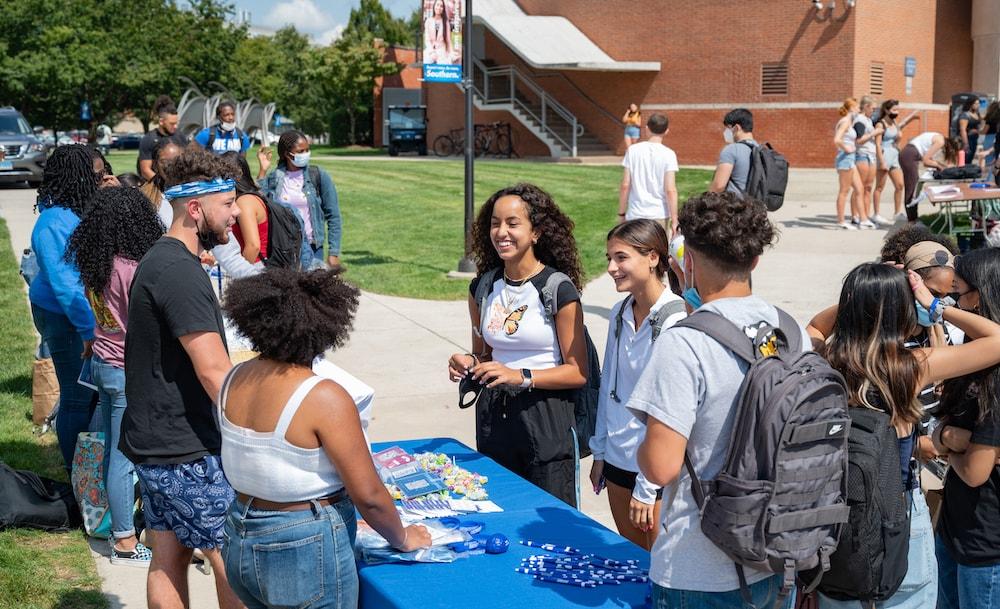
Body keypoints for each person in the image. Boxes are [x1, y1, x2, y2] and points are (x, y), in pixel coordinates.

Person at [629, 191, 805, 606]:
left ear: (686, 261)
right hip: (780, 552)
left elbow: (660, 466)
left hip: (700, 565)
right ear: (755, 261)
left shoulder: (684, 343)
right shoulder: (790, 331)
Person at [219, 268, 431, 609]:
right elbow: (370, 495)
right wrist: (404, 537)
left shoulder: (234, 379)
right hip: (302, 544)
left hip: (239, 533)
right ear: (326, 325)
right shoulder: (324, 396)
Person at [806, 261, 1000, 609]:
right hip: (900, 513)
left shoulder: (824, 361)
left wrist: (859, 296)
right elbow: (997, 340)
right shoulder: (910, 367)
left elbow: (816, 326)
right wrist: (934, 304)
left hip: (836, 513)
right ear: (901, 312)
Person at [120, 146, 243, 609]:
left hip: (156, 440)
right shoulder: (178, 272)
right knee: (231, 557)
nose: (235, 214)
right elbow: (214, 371)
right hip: (186, 446)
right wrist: (262, 422)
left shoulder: (165, 259)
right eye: (227, 204)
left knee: (168, 556)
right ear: (195, 208)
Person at [447, 183, 588, 506]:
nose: (501, 232)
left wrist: (521, 376)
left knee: (551, 521)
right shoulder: (483, 287)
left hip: (546, 420)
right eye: (495, 223)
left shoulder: (557, 289)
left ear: (536, 232)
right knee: (500, 508)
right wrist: (466, 361)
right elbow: (484, 353)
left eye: (513, 223)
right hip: (495, 418)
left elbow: (578, 372)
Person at [66, 187, 163, 566]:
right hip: (127, 370)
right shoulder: (133, 269)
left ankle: (127, 528)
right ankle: (124, 540)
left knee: (113, 453)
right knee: (125, 458)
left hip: (104, 365)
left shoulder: (96, 263)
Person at [589, 220, 685, 549]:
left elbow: (668, 411)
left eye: (621, 258)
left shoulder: (676, 321)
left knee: (656, 567)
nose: (611, 268)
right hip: (617, 459)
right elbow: (608, 389)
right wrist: (600, 451)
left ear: (653, 258)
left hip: (653, 472)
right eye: (609, 258)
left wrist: (647, 486)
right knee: (630, 562)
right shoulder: (619, 312)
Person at [931, 248, 1000, 609]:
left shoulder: (995, 376)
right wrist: (949, 438)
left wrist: (949, 443)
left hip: (986, 547)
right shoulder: (975, 355)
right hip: (954, 531)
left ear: (985, 293)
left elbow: (976, 472)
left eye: (961, 293)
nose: (956, 302)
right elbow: (942, 428)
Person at [28, 144, 99, 470]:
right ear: (76, 176)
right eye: (92, 172)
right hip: (62, 314)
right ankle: (78, 475)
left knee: (87, 394)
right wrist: (88, 330)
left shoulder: (70, 210)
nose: (97, 177)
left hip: (74, 311)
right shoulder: (55, 222)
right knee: (76, 396)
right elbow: (66, 284)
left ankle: (88, 467)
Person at [259, 130, 343, 271]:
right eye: (300, 151)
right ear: (287, 154)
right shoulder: (275, 178)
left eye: (307, 150)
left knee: (311, 291)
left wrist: (334, 252)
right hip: (283, 249)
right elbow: (260, 204)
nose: (305, 154)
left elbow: (333, 215)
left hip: (312, 248)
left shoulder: (318, 175)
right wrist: (263, 171)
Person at [618, 113, 679, 236]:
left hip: (635, 214)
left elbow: (625, 185)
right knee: (658, 254)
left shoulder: (632, 150)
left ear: (647, 129)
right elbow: (670, 190)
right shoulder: (669, 154)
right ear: (666, 131)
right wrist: (675, 219)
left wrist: (622, 213)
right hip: (659, 214)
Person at [873, 100, 919, 224]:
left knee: (899, 185)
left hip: (895, 155)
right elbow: (877, 144)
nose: (896, 112)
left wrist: (912, 118)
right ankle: (876, 214)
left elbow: (901, 126)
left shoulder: (894, 122)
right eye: (894, 110)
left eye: (897, 110)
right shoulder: (880, 124)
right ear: (887, 110)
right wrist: (881, 161)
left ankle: (897, 213)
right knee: (879, 187)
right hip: (884, 155)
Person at [900, 132, 961, 223]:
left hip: (909, 154)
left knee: (914, 187)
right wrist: (940, 167)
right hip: (909, 155)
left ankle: (913, 219)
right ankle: (912, 220)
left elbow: (929, 159)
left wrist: (939, 165)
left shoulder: (939, 138)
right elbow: (926, 161)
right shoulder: (940, 142)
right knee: (912, 188)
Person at [833, 98, 875, 230]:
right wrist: (847, 148)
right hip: (845, 158)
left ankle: (863, 219)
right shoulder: (845, 122)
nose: (859, 110)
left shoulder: (849, 122)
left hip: (850, 159)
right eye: (857, 107)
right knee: (844, 191)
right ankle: (841, 221)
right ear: (851, 108)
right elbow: (837, 139)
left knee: (859, 189)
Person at [224, 152, 269, 264]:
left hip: (256, 267)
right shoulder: (251, 195)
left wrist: (240, 274)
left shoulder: (244, 202)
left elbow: (253, 247)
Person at [138, 95, 189, 181]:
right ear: (161, 121)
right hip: (158, 187)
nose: (175, 126)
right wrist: (164, 184)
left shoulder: (181, 136)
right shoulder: (149, 139)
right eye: (172, 123)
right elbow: (145, 170)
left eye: (176, 123)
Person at [709, 108, 757, 195]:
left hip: (736, 205)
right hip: (756, 205)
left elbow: (718, 186)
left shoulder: (731, 150)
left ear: (736, 128)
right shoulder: (761, 149)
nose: (725, 132)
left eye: (727, 128)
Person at [855, 96, 887, 225]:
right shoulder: (860, 120)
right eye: (873, 108)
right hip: (862, 155)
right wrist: (875, 133)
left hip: (871, 155)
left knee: (868, 187)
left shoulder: (868, 120)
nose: (874, 111)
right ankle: (856, 215)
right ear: (866, 106)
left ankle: (866, 216)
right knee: (860, 187)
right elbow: (859, 140)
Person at [139, 139, 184, 228]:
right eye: (164, 161)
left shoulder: (197, 192)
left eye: (176, 160)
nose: (170, 166)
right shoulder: (144, 197)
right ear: (155, 165)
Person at [423, 0, 453, 64]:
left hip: (442, 51)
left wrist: (450, 54)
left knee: (443, 67)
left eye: (441, 6)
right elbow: (427, 39)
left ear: (443, 9)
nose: (439, 7)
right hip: (430, 50)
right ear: (434, 6)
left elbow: (448, 40)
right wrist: (432, 52)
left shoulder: (446, 22)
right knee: (426, 63)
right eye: (437, 5)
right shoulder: (428, 21)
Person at [957, 97, 982, 161]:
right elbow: (962, 130)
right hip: (967, 140)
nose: (978, 105)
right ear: (970, 104)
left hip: (974, 140)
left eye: (979, 103)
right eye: (976, 104)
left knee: (970, 159)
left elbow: (979, 127)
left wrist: (977, 131)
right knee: (965, 160)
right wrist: (966, 144)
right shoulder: (965, 115)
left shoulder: (977, 114)